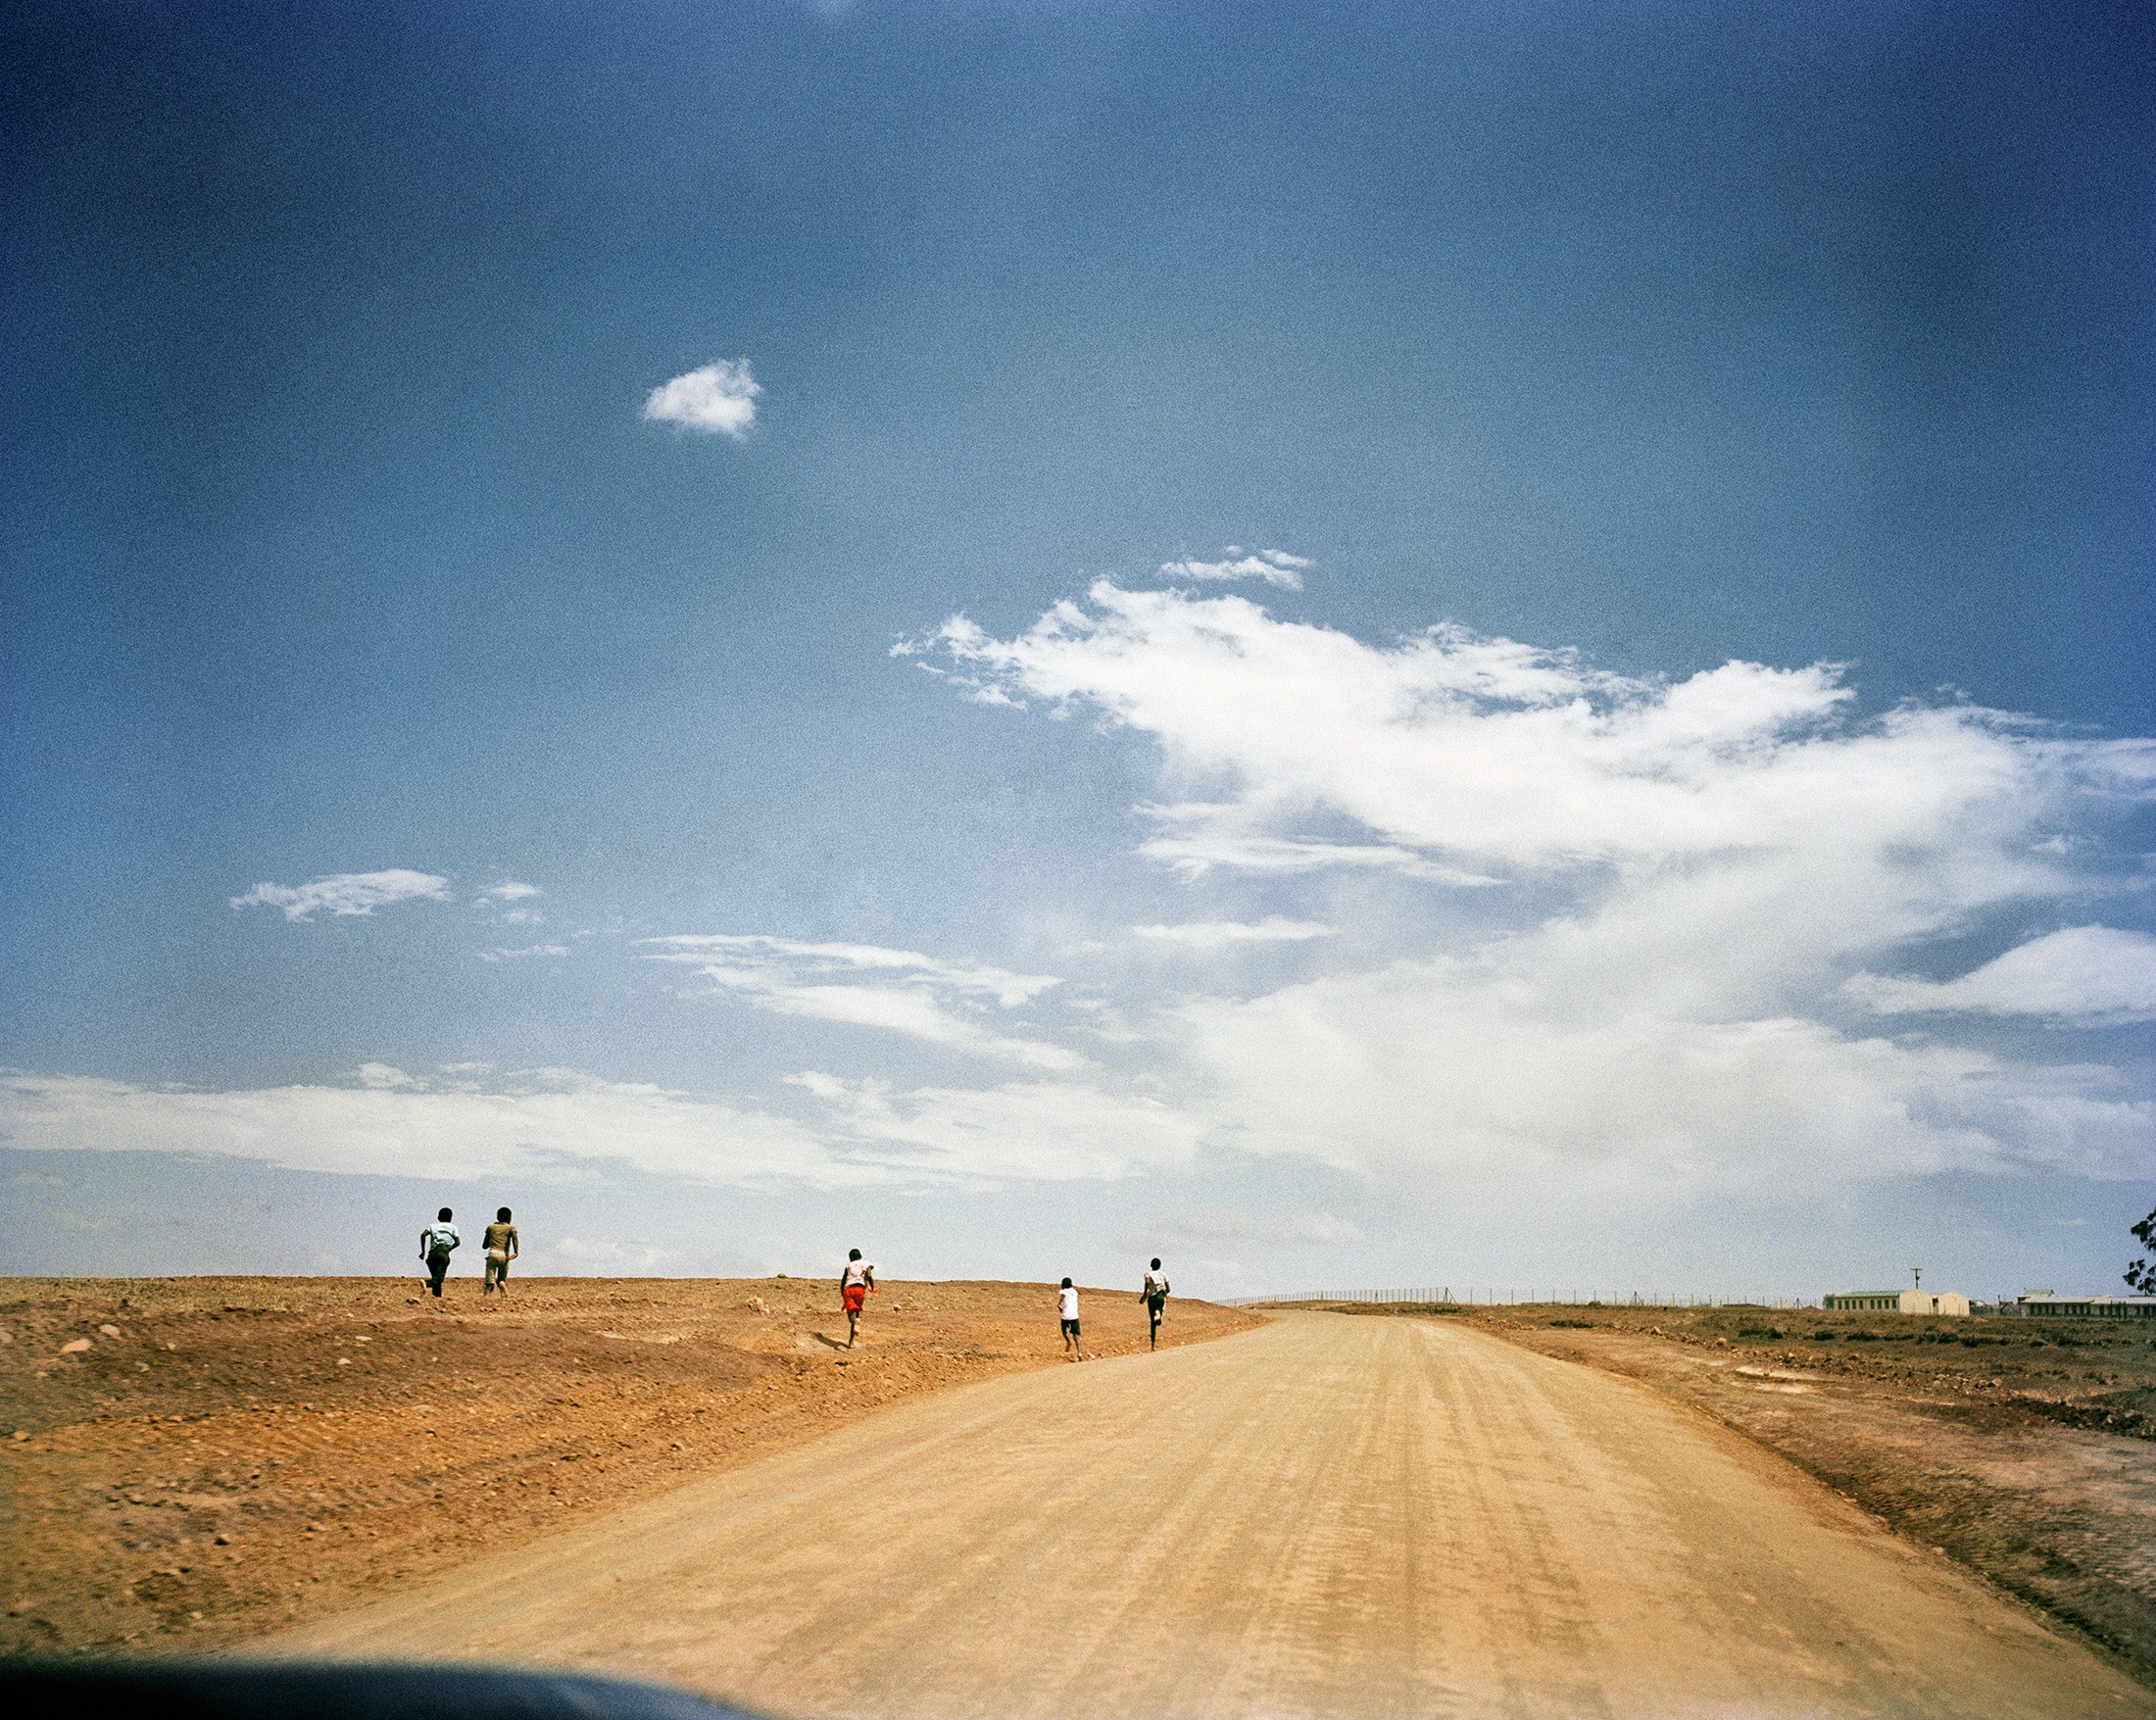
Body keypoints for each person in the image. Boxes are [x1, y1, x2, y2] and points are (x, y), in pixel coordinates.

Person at [419, 1207, 460, 1298]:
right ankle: (426, 1283)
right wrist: (449, 1248)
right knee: (439, 1278)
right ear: (451, 1218)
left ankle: (437, 1298)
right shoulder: (453, 1227)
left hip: (432, 1254)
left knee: (436, 1277)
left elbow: (423, 1235)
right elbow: (457, 1242)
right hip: (443, 1253)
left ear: (438, 1217)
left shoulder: (432, 1226)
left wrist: (423, 1251)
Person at [840, 1249, 875, 1348]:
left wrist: (842, 1293)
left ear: (850, 1258)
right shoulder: (866, 1264)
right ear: (860, 1256)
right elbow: (868, 1276)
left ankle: (854, 1326)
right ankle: (851, 1342)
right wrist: (872, 1287)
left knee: (852, 1316)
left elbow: (843, 1280)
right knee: (856, 1314)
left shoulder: (848, 1266)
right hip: (860, 1290)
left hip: (848, 1290)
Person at [482, 1206, 518, 1296]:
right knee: (501, 1279)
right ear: (510, 1218)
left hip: (493, 1253)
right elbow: (515, 1238)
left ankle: (485, 1298)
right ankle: (501, 1283)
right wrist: (516, 1252)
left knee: (489, 1283)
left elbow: (484, 1245)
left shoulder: (491, 1227)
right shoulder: (511, 1228)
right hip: (504, 1255)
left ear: (497, 1217)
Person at [1143, 1257, 1171, 1350]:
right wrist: (1164, 1293)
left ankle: (1153, 1346)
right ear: (1160, 1266)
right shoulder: (1163, 1274)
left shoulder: (1148, 1274)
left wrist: (1144, 1295)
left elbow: (1147, 1283)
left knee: (1152, 1322)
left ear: (1151, 1265)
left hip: (1151, 1297)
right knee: (1158, 1320)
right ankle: (1158, 1314)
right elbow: (1168, 1288)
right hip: (1160, 1297)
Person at [1057, 1276, 1083, 1360]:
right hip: (1074, 1316)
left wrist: (1059, 1304)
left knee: (1064, 1331)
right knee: (1076, 1335)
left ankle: (1068, 1341)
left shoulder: (1062, 1291)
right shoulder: (1075, 1292)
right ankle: (1079, 1352)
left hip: (1065, 1316)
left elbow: (1063, 1296)